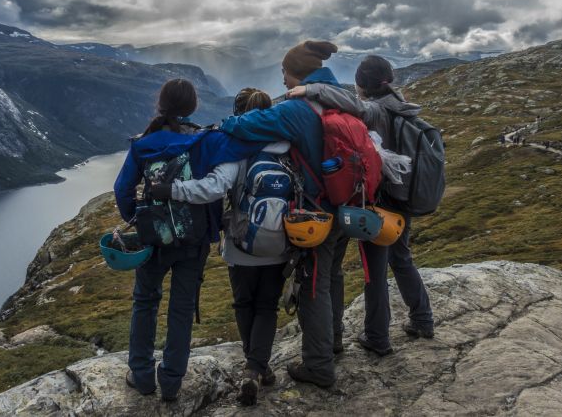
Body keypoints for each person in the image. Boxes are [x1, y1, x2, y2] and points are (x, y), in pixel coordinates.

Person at [113, 79, 264, 402]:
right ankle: (171, 381)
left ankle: (141, 376)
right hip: (194, 241)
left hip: (154, 238)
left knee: (145, 301)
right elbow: (248, 146)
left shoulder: (143, 144)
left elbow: (122, 189)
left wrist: (135, 220)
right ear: (193, 107)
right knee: (181, 308)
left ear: (161, 105)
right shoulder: (207, 142)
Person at [287, 54, 435, 356]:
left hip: (382, 203)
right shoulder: (403, 106)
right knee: (402, 258)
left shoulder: (378, 111)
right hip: (404, 199)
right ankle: (422, 319)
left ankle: (377, 337)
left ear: (361, 86)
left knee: (374, 271)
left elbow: (353, 105)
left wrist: (310, 90)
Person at [219, 40, 346, 388]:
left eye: (285, 74)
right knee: (332, 275)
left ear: (297, 72)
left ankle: (319, 366)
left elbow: (245, 126)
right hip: (348, 203)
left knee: (313, 288)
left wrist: (225, 124)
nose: (284, 82)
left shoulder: (298, 108)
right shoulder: (341, 97)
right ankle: (334, 341)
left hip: (318, 213)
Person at [153, 87, 289, 406]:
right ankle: (257, 368)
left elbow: (212, 189)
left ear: (238, 114)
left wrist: (170, 190)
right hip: (280, 239)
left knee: (244, 303)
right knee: (267, 305)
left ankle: (253, 368)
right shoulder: (286, 147)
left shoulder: (236, 149)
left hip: (241, 244)